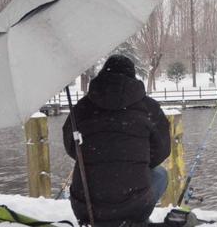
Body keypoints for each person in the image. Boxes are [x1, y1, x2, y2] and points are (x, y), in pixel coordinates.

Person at [63, 54, 171, 227]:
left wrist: (97, 157)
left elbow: (71, 146)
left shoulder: (82, 107)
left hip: (87, 206)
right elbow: (162, 150)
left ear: (103, 74)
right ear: (132, 76)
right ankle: (138, 220)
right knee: (160, 174)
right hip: (135, 206)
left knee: (89, 173)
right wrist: (136, 161)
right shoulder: (148, 107)